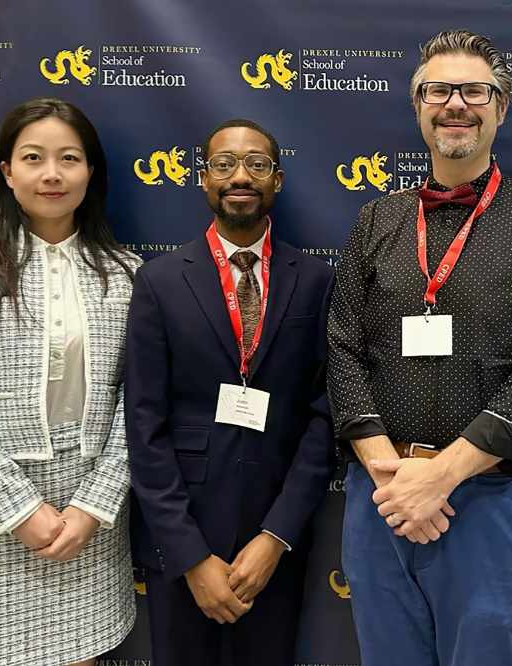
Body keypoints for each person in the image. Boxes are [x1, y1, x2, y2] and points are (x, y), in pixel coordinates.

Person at [327, 29, 512, 666]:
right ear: (417, 106)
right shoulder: (377, 219)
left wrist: (440, 475)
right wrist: (395, 477)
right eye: (438, 90)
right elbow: (341, 347)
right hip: (381, 496)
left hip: (490, 500)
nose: (455, 104)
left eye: (475, 90)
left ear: (502, 107)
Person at [125, 119, 335, 666]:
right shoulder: (160, 281)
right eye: (224, 164)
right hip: (184, 541)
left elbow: (324, 418)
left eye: (257, 164)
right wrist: (191, 556)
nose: (240, 175)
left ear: (278, 180)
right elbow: (143, 426)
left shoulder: (315, 281)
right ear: (204, 180)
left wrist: (276, 538)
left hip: (275, 542)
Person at [0, 97, 139, 666]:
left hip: (88, 519)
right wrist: (17, 510)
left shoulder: (127, 275)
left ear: (90, 171)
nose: (51, 174)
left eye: (69, 158)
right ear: (7, 171)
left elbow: (139, 406)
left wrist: (92, 507)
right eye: (33, 158)